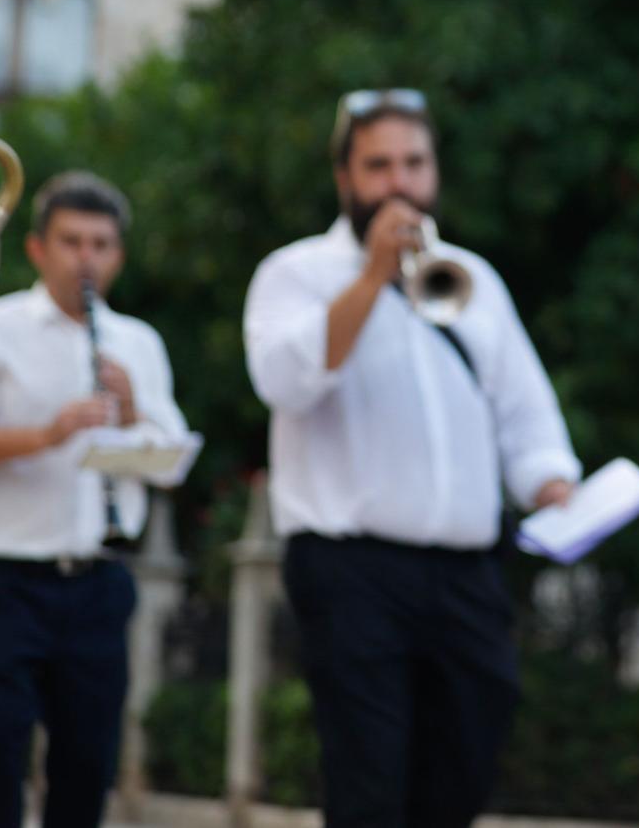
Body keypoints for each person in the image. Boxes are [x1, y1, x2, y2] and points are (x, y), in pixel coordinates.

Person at [243, 90, 582, 828]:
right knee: (368, 782)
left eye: (414, 164)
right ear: (346, 179)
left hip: (466, 574)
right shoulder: (294, 273)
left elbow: (523, 407)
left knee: (464, 769)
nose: (399, 182)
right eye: (379, 165)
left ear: (434, 174)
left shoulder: (474, 278)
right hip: (351, 569)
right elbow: (284, 380)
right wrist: (370, 279)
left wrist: (551, 480)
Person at [0, 172, 191, 828]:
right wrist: (48, 432)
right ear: (39, 248)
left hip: (98, 577)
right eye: (71, 240)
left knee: (88, 756)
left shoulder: (139, 343)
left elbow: (168, 464)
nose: (86, 257)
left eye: (101, 243)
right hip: (8, 575)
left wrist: (130, 413)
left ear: (118, 256)